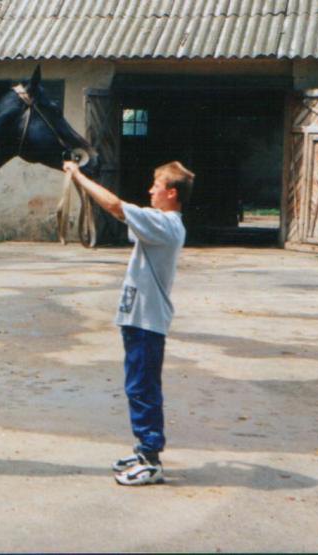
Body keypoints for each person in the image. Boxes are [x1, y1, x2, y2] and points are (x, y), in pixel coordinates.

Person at [61, 159, 195, 486]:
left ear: (171, 193)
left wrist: (78, 176)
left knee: (142, 387)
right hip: (138, 319)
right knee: (139, 385)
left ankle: (151, 459)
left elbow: (114, 206)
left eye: (156, 186)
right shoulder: (159, 223)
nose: (151, 190)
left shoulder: (165, 225)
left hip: (148, 322)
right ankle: (143, 450)